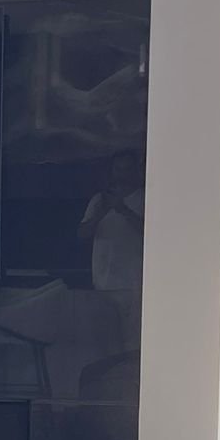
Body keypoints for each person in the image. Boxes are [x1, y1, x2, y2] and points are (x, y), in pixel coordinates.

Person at [80, 149, 144, 347]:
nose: (122, 174)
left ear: (136, 171)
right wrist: (101, 212)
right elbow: (82, 235)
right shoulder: (99, 200)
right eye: (118, 169)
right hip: (101, 284)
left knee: (131, 342)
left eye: (127, 169)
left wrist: (122, 209)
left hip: (132, 284)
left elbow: (150, 234)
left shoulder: (145, 198)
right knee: (104, 343)